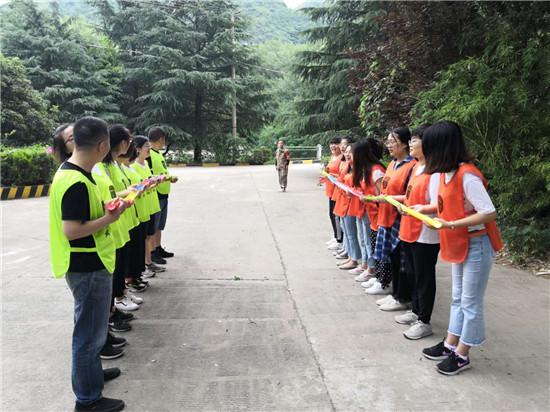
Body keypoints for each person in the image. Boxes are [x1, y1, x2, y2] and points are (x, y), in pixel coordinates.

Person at [49, 116, 127, 412]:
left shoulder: (73, 172)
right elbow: (72, 230)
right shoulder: (76, 181)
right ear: (103, 145)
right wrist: (109, 219)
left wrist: (112, 209)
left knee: (91, 331)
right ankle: (88, 399)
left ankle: (91, 376)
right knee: (88, 335)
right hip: (87, 266)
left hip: (88, 264)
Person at [421, 121, 503, 375]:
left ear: (440, 148)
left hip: (476, 244)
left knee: (470, 302)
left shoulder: (467, 174)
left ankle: (462, 354)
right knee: (458, 298)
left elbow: (488, 212)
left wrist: (452, 224)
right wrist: (427, 209)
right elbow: (451, 204)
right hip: (459, 243)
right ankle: (449, 344)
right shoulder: (448, 173)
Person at [394, 124, 441, 340]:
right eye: (411, 139)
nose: (411, 144)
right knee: (412, 273)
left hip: (425, 233)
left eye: (415, 140)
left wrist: (417, 209)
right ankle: (415, 311)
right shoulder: (416, 168)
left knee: (424, 277)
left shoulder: (434, 171)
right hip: (409, 229)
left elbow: (438, 204)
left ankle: (424, 320)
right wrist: (397, 201)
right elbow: (412, 197)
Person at [365, 127, 417, 303]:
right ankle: (395, 294)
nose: (389, 145)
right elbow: (385, 190)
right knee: (392, 258)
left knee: (401, 259)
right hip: (386, 216)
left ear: (404, 144)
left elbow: (412, 195)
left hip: (400, 219)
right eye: (388, 141)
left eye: (392, 141)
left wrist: (392, 198)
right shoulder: (392, 164)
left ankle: (402, 296)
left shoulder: (412, 166)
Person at [352, 140, 386, 281]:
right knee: (371, 243)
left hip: (380, 216)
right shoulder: (365, 170)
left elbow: (384, 196)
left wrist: (369, 198)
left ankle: (377, 274)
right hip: (371, 215)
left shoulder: (376, 171)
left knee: (378, 248)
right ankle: (375, 273)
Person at [131, 136, 165, 275]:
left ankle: (149, 262)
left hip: (151, 205)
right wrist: (149, 184)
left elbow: (145, 186)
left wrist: (154, 183)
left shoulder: (146, 164)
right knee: (144, 238)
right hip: (142, 207)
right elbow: (138, 188)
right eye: (146, 146)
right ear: (138, 149)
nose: (149, 149)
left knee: (150, 235)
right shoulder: (133, 167)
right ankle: (145, 264)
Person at [147, 127, 178, 263]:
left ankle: (158, 247)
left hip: (164, 192)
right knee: (154, 225)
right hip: (155, 193)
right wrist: (163, 178)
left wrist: (168, 178)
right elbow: (146, 175)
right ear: (161, 139)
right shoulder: (148, 155)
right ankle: (152, 252)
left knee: (160, 225)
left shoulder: (158, 154)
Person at [325, 136, 343, 250]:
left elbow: (341, 176)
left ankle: (339, 240)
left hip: (338, 192)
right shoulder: (333, 157)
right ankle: (336, 235)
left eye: (336, 143)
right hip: (330, 190)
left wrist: (333, 176)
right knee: (331, 215)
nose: (333, 146)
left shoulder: (342, 159)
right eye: (331, 143)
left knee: (336, 216)